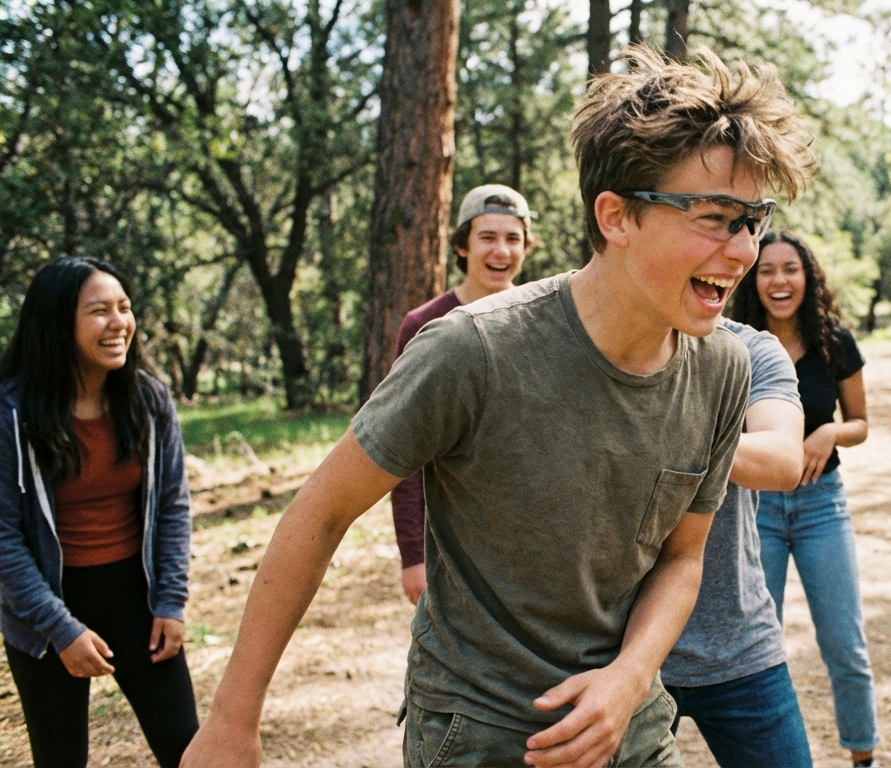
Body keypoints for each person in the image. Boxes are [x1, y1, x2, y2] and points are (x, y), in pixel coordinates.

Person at [179, 45, 813, 768]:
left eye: (753, 219)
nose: (744, 251)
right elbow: (320, 511)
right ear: (616, 216)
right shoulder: (472, 351)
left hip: (629, 730)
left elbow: (683, 558)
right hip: (479, 736)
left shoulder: (724, 369)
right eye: (715, 218)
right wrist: (233, 718)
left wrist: (628, 678)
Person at [0, 257, 198, 767]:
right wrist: (60, 629)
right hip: (44, 611)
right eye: (98, 311)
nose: (119, 323)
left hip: (139, 598)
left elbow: (173, 505)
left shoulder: (149, 401)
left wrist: (171, 603)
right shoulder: (11, 417)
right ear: (57, 324)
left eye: (124, 307)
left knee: (188, 751)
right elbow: (2, 538)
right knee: (61, 758)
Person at [733, 230, 878, 767]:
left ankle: (863, 755)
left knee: (845, 643)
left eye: (789, 269)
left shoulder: (834, 342)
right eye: (766, 270)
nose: (778, 280)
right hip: (757, 510)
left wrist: (829, 433)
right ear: (753, 279)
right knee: (757, 648)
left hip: (822, 506)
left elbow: (861, 422)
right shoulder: (736, 343)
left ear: (807, 276)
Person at [660, 315, 811, 768]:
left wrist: (659, 434)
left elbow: (784, 460)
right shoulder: (601, 343)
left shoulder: (751, 349)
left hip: (739, 642)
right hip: (615, 650)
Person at [392, 183, 534, 605]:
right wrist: (413, 555)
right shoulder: (424, 324)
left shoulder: (545, 319)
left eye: (513, 239)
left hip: (532, 540)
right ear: (462, 247)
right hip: (450, 546)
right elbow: (403, 448)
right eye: (487, 237)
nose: (501, 252)